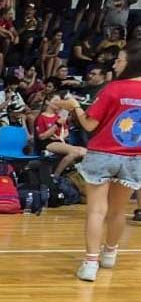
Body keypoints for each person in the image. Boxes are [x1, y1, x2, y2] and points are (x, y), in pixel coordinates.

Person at [60, 42, 141, 281]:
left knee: (97, 210)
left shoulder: (113, 89)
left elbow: (89, 125)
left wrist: (74, 106)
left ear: (132, 63)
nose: (115, 63)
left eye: (120, 60)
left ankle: (90, 263)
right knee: (118, 211)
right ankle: (110, 254)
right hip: (133, 156)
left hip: (103, 153)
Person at [35, 95, 87, 176]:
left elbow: (66, 131)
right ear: (47, 102)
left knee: (84, 152)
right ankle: (56, 175)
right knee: (75, 152)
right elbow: (42, 137)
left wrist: (61, 137)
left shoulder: (59, 116)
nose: (58, 103)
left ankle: (65, 173)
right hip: (47, 143)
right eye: (56, 101)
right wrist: (57, 124)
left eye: (60, 101)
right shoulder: (41, 117)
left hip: (59, 141)